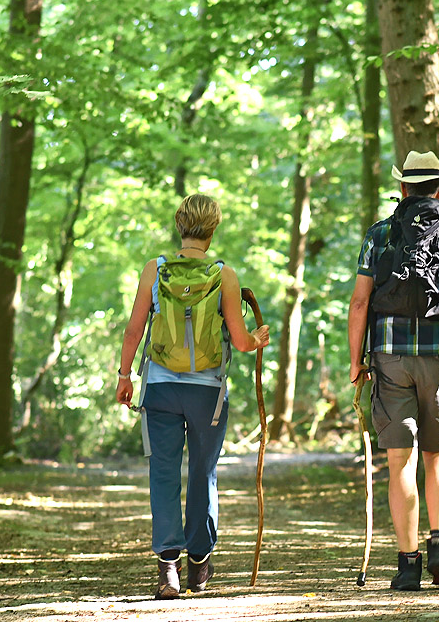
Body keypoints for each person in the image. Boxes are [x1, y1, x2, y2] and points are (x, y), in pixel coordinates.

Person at [348, 150, 439, 591]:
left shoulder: (379, 236)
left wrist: (356, 360)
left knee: (400, 461)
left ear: (405, 188)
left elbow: (359, 303)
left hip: (390, 359)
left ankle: (408, 564)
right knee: (438, 456)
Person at [115, 193, 271, 600]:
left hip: (160, 389)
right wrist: (256, 339)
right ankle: (199, 564)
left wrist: (124, 375)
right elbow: (239, 341)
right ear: (213, 227)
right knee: (203, 471)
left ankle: (168, 568)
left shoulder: (156, 270)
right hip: (208, 393)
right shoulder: (224, 275)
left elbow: (134, 330)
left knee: (163, 471)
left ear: (179, 225)